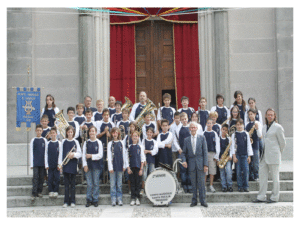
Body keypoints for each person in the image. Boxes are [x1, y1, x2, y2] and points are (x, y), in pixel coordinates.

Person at [253, 108, 286, 203]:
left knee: (275, 178)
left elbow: (283, 143)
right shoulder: (263, 127)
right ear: (266, 116)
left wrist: (278, 153)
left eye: (271, 115)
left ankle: (275, 197)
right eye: (268, 115)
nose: (270, 116)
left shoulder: (278, 127)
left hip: (274, 156)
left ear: (274, 116)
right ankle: (261, 196)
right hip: (264, 156)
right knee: (262, 177)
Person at [181, 122, 208, 207]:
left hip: (200, 164)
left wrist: (205, 165)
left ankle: (203, 201)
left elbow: (205, 152)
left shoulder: (202, 138)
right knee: (193, 184)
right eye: (191, 128)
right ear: (189, 129)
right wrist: (184, 161)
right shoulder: (186, 140)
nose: (192, 129)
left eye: (194, 127)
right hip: (191, 164)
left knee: (202, 184)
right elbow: (183, 153)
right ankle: (194, 201)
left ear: (196, 128)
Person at [58, 126, 82, 208]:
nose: (70, 133)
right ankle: (66, 201)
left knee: (72, 185)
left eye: (71, 132)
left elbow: (79, 154)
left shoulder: (76, 142)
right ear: (66, 133)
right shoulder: (63, 141)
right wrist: (60, 165)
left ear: (73, 133)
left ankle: (72, 201)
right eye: (68, 132)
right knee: (66, 185)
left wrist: (73, 154)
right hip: (66, 165)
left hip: (73, 165)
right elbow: (60, 154)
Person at [82, 126, 103, 207]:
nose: (91, 133)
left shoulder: (99, 142)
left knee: (96, 183)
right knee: (89, 184)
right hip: (88, 166)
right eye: (90, 131)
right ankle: (89, 199)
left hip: (96, 166)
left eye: (93, 131)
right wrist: (84, 165)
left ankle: (95, 199)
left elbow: (100, 155)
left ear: (96, 132)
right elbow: (84, 155)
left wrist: (91, 156)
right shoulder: (86, 142)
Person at [231, 118, 253, 192]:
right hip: (237, 156)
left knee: (246, 170)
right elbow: (233, 146)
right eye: (237, 125)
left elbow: (249, 145)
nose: (239, 126)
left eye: (241, 125)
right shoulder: (234, 135)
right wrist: (234, 156)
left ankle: (246, 186)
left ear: (243, 125)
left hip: (245, 155)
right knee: (238, 171)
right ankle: (240, 186)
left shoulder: (246, 134)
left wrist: (249, 156)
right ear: (235, 126)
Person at [107, 127, 127, 206]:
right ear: (111, 134)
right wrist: (110, 167)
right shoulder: (110, 144)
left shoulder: (121, 143)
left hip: (120, 165)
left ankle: (119, 199)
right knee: (112, 184)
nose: (114, 134)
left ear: (118, 134)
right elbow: (109, 156)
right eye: (113, 133)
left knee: (119, 184)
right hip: (113, 166)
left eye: (116, 133)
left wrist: (125, 165)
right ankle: (113, 199)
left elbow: (124, 155)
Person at [96, 108, 115, 183]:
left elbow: (114, 136)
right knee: (101, 163)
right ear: (102, 115)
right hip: (102, 146)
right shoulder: (99, 124)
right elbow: (97, 136)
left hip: (110, 146)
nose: (106, 116)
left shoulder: (112, 124)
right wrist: (104, 132)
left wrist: (109, 134)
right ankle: (101, 178)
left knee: (110, 162)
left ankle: (109, 178)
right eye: (105, 115)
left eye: (107, 115)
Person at [127, 130, 146, 206]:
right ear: (131, 137)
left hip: (138, 167)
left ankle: (137, 198)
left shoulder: (140, 147)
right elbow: (126, 158)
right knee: (132, 183)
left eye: (136, 136)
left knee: (138, 183)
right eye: (133, 136)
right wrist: (128, 168)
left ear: (138, 138)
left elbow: (142, 159)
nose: (135, 137)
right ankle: (133, 198)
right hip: (131, 168)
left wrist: (141, 169)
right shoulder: (129, 147)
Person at [30, 124, 48, 202]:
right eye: (37, 130)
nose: (39, 132)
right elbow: (31, 152)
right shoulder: (33, 140)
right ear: (35, 131)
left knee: (41, 177)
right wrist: (31, 163)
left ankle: (39, 191)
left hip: (42, 162)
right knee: (35, 177)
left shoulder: (44, 140)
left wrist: (46, 164)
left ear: (42, 131)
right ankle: (34, 192)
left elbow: (46, 153)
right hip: (35, 162)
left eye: (40, 130)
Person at [176, 112, 192, 193]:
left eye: (185, 119)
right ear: (180, 120)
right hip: (182, 152)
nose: (184, 120)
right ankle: (184, 185)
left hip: (190, 152)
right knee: (183, 169)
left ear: (187, 119)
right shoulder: (179, 129)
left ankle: (190, 186)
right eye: (182, 119)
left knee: (190, 169)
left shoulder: (190, 128)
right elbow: (176, 140)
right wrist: (179, 149)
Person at [203, 118, 220, 193]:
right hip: (205, 153)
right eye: (208, 123)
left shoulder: (214, 133)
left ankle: (211, 185)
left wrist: (216, 155)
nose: (209, 125)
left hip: (212, 153)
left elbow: (217, 145)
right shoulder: (203, 133)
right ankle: (204, 186)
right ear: (206, 124)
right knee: (205, 171)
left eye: (211, 123)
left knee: (212, 170)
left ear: (213, 124)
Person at [245, 108, 262, 181]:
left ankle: (256, 175)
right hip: (249, 145)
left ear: (255, 114)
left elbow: (260, 135)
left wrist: (257, 129)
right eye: (249, 114)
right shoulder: (247, 124)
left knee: (255, 161)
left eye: (251, 114)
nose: (250, 116)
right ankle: (251, 176)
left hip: (255, 144)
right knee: (250, 161)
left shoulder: (258, 123)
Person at [45, 126, 61, 199]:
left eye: (54, 133)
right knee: (50, 178)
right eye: (51, 133)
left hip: (57, 164)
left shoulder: (59, 143)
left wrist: (59, 164)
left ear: (56, 134)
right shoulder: (48, 143)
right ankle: (51, 190)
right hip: (50, 164)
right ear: (50, 134)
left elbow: (60, 154)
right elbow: (46, 154)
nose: (53, 134)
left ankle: (56, 191)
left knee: (57, 178)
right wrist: (46, 164)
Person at [141, 127, 158, 194]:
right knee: (144, 175)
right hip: (145, 160)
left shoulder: (154, 142)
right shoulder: (143, 141)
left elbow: (155, 151)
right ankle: (143, 188)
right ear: (146, 133)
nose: (149, 133)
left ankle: (151, 188)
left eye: (151, 132)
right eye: (148, 132)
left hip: (151, 160)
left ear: (153, 133)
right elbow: (142, 151)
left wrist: (148, 151)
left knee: (151, 174)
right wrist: (144, 159)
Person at [217, 124, 233, 192]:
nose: (224, 131)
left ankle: (229, 185)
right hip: (221, 158)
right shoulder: (218, 138)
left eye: (226, 130)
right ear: (221, 130)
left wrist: (231, 156)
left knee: (228, 171)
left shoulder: (229, 139)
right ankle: (224, 186)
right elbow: (217, 149)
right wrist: (217, 158)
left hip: (227, 158)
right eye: (223, 129)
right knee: (222, 172)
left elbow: (231, 148)